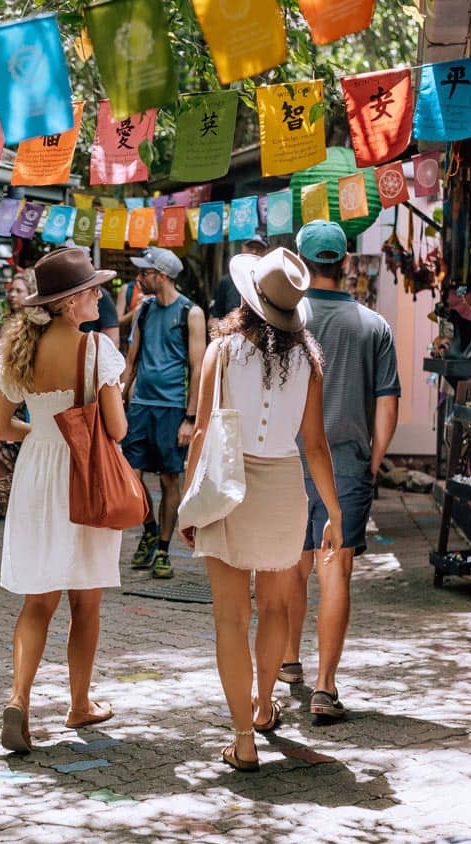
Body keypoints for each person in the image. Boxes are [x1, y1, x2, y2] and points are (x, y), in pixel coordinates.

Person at [179, 247, 343, 772]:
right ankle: (265, 704)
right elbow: (315, 444)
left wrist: (187, 502)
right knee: (276, 609)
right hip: (284, 490)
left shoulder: (222, 351)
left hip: (229, 483)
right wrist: (335, 513)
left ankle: (243, 738)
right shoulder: (310, 360)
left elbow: (202, 430)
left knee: (231, 617)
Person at [0, 247, 129, 754]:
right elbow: (116, 429)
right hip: (84, 475)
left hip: (37, 474)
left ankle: (18, 701)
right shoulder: (97, 352)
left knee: (38, 598)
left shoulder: (19, 351)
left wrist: (43, 431)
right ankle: (79, 703)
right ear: (71, 303)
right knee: (85, 600)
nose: (100, 295)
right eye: (93, 289)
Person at [282, 220, 400, 720]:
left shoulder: (284, 318)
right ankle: (325, 689)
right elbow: (387, 405)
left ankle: (288, 660)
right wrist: (372, 463)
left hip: (287, 459)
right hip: (347, 463)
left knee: (292, 562)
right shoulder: (374, 326)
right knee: (336, 569)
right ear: (345, 264)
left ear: (304, 266)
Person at [123, 247, 206, 579]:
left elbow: (198, 368)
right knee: (131, 475)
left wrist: (190, 417)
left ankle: (162, 548)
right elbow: (131, 361)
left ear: (162, 275)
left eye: (144, 273)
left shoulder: (191, 312)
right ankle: (149, 528)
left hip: (173, 407)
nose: (139, 278)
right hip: (141, 404)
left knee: (171, 478)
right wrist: (119, 396)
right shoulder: (144, 310)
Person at [0, 269, 37, 518]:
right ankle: (1, 498)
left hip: (22, 398)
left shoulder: (36, 329)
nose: (13, 295)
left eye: (19, 290)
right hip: (1, 393)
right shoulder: (3, 324)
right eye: (11, 290)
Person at [210, 232, 270, 320]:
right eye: (250, 247)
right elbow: (213, 319)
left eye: (259, 248)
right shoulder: (228, 281)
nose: (254, 252)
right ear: (242, 247)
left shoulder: (271, 281)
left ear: (267, 251)